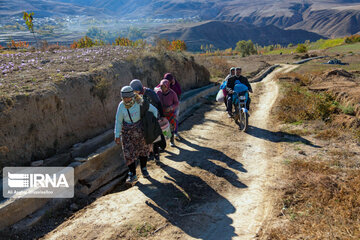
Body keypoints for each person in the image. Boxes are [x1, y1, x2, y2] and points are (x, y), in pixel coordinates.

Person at [114, 86, 158, 183]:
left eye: (127, 97)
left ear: (132, 96)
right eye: (124, 98)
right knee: (128, 153)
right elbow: (118, 121)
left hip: (140, 131)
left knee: (143, 150)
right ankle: (132, 174)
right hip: (127, 133)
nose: (125, 100)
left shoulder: (140, 102)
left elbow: (154, 110)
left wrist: (152, 124)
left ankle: (144, 168)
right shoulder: (121, 106)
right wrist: (117, 135)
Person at [130, 79, 165, 163]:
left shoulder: (150, 93)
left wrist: (161, 117)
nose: (136, 92)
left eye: (136, 90)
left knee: (155, 137)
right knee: (146, 139)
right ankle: (150, 154)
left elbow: (159, 104)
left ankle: (157, 156)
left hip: (153, 119)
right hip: (143, 121)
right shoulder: (135, 97)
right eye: (134, 91)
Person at [156, 79, 179, 147]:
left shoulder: (172, 93)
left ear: (167, 86)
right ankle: (162, 143)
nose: (162, 88)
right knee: (162, 129)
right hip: (162, 113)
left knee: (171, 127)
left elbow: (176, 103)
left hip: (170, 113)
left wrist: (171, 108)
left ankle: (172, 141)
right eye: (161, 86)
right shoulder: (158, 93)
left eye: (164, 87)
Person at [164, 73, 181, 140]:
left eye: (169, 81)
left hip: (175, 104)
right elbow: (158, 88)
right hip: (166, 104)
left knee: (175, 118)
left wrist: (173, 85)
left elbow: (179, 92)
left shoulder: (175, 84)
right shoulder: (164, 83)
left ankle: (175, 133)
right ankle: (167, 135)